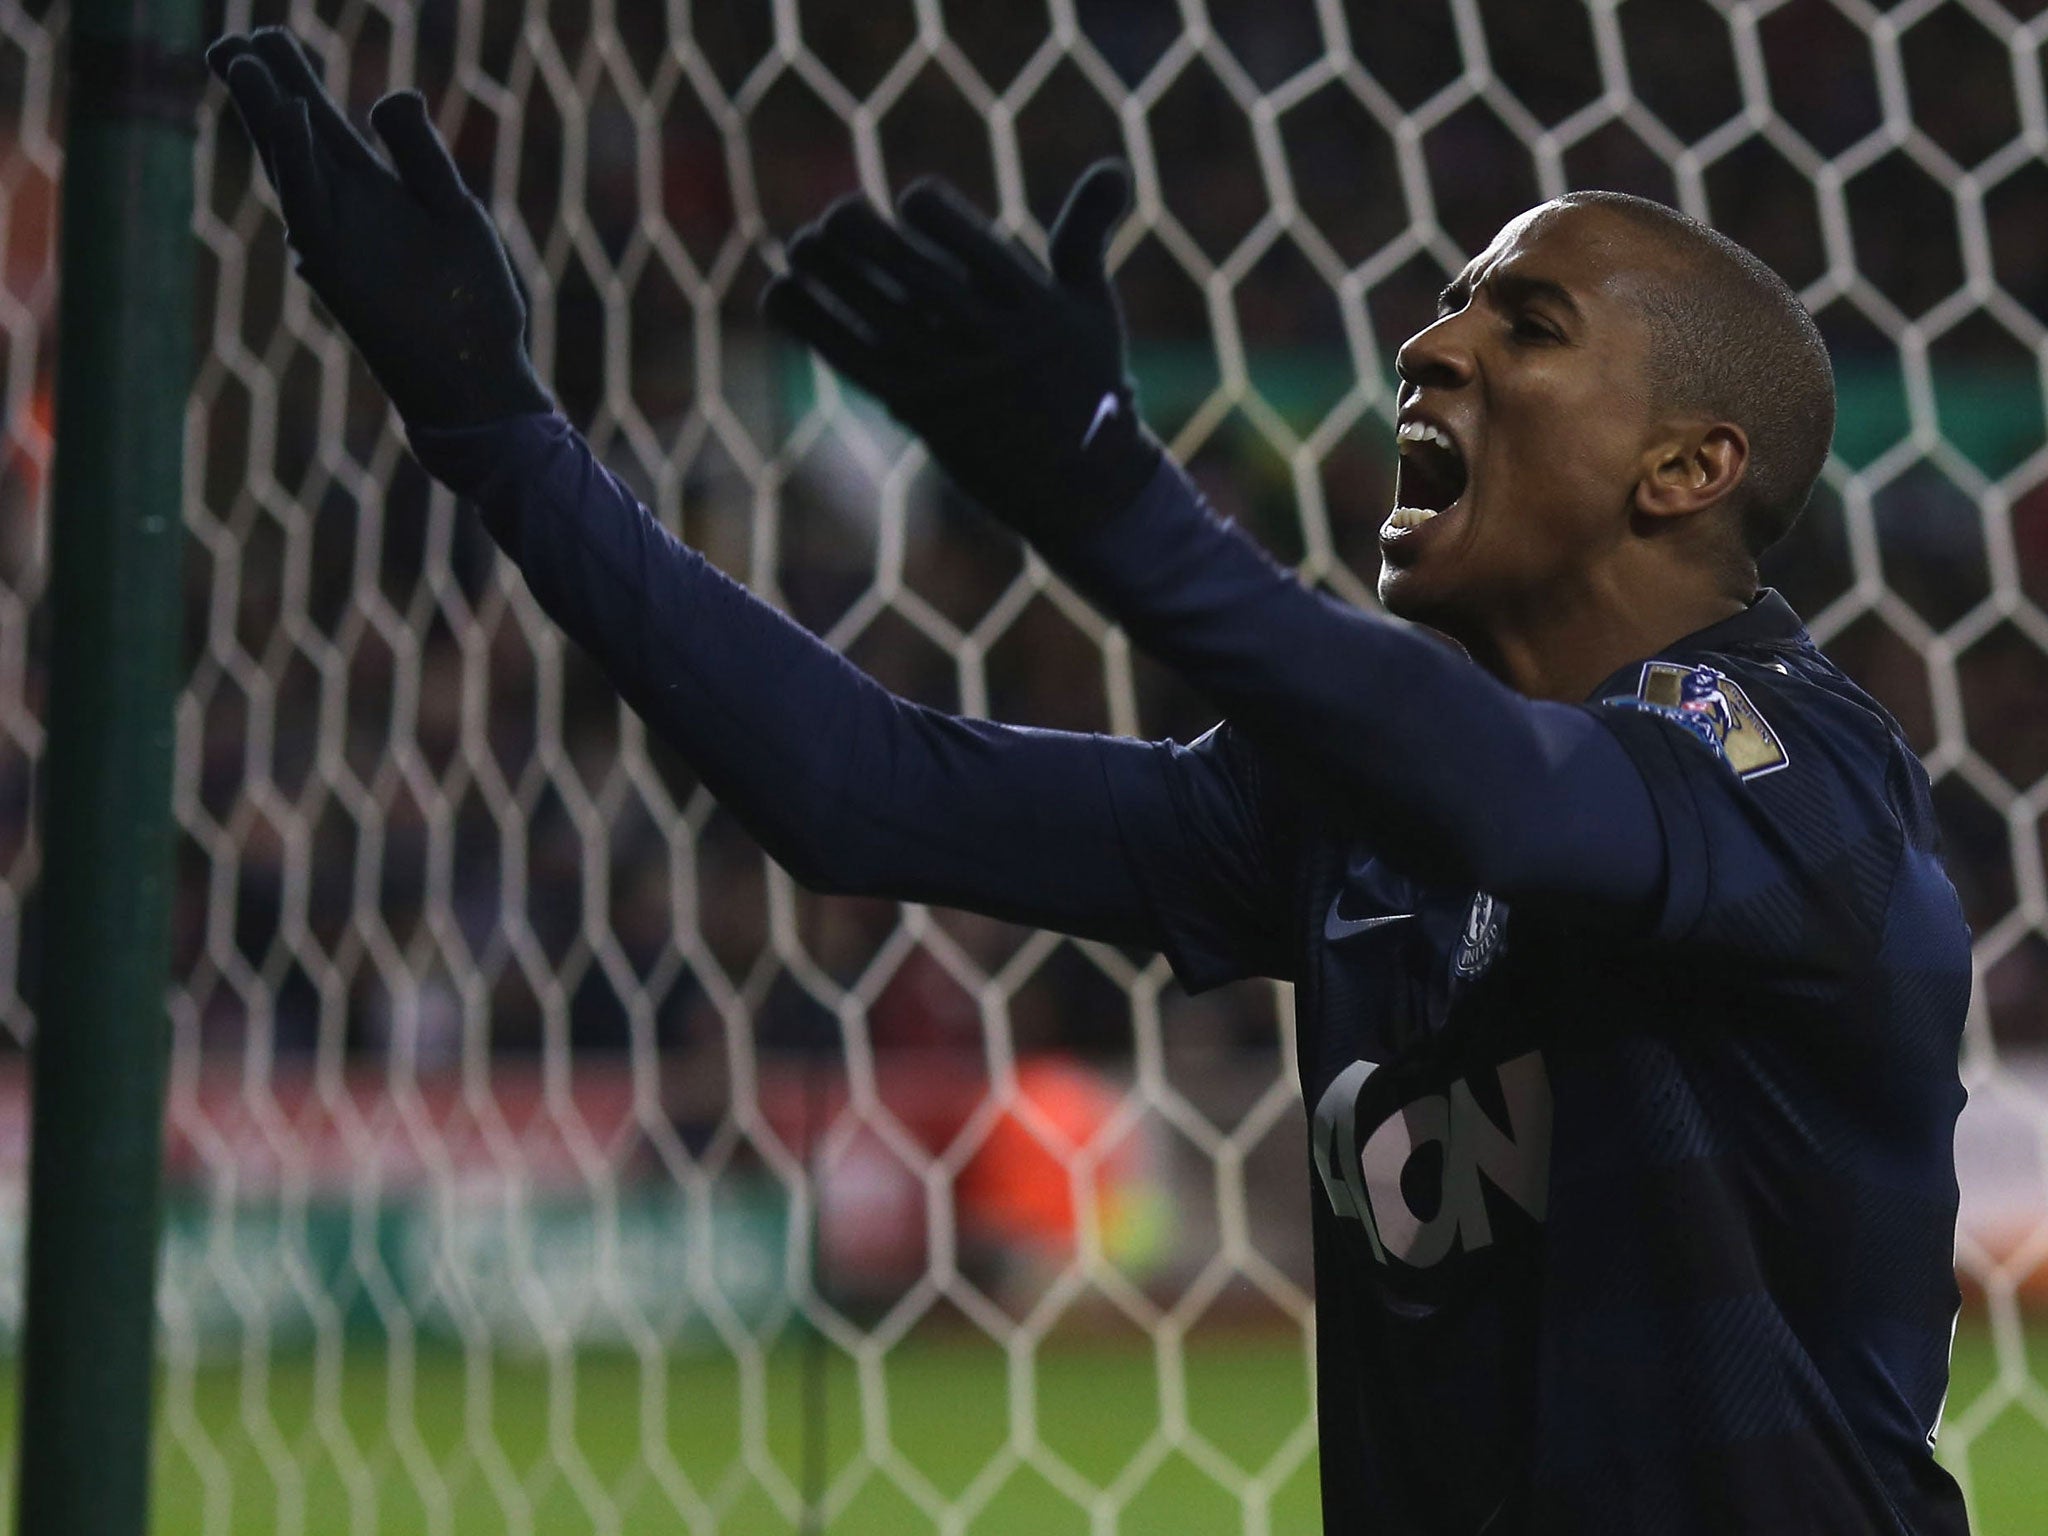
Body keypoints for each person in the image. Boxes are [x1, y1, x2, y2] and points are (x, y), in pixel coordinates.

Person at [208, 25, 1972, 1534]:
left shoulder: (1802, 773)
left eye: (1527, 323)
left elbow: (1525, 804)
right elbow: (863, 791)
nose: (1431, 353)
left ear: (1689, 464)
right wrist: (502, 438)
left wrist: (1110, 492)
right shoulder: (1345, 810)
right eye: (1444, 310)